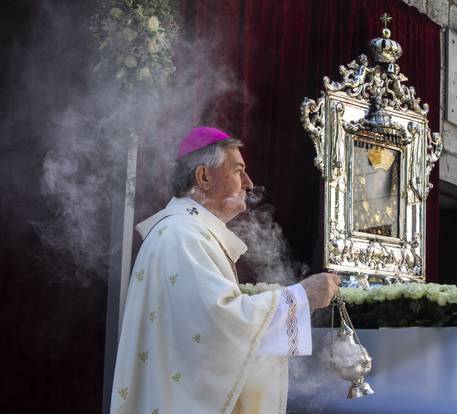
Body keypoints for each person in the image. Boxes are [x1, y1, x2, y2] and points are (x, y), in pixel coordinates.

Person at [110, 126, 340, 414]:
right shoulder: (182, 236)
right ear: (203, 177)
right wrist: (300, 296)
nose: (249, 182)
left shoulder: (187, 231)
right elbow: (220, 324)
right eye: (238, 170)